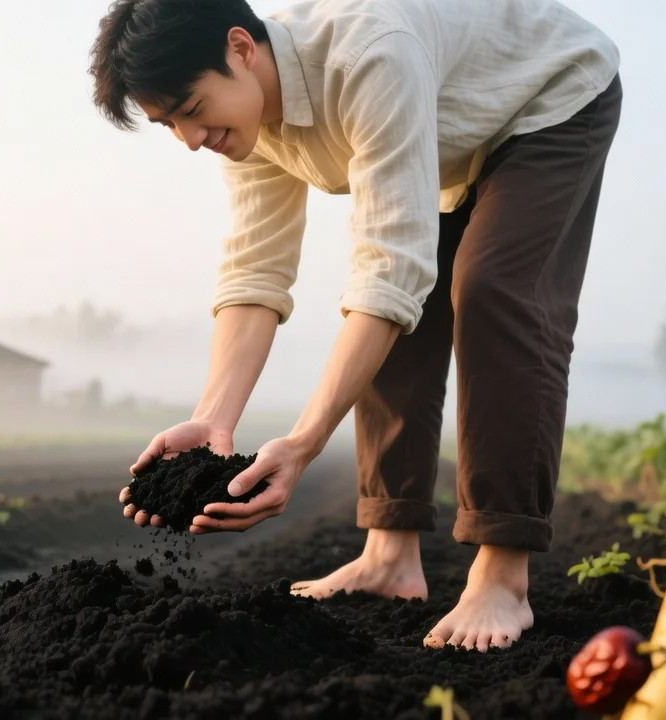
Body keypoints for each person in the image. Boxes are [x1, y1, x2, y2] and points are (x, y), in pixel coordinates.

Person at [89, 0, 622, 652]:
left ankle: (503, 575)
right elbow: (256, 276)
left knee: (493, 294)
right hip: (451, 134)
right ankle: (389, 557)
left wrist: (305, 442)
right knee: (391, 315)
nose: (191, 139)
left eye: (192, 110)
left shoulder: (370, 54)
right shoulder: (245, 123)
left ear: (241, 48)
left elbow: (388, 273)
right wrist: (214, 420)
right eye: (168, 123)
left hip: (549, 96)